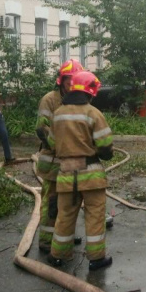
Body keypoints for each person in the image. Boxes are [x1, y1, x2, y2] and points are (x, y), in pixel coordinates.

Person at [47, 71, 114, 270]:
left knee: (65, 215)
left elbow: (51, 143)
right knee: (94, 216)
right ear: (90, 92)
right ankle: (96, 259)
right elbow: (105, 147)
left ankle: (57, 255)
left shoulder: (58, 114)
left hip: (66, 176)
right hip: (91, 175)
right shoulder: (93, 113)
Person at [36, 59, 85, 251]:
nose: (71, 83)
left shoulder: (79, 99)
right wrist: (61, 146)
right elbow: (41, 129)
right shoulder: (50, 99)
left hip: (73, 161)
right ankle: (47, 240)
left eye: (75, 79)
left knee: (70, 201)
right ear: (61, 79)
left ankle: (64, 237)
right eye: (69, 79)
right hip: (54, 161)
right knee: (53, 202)